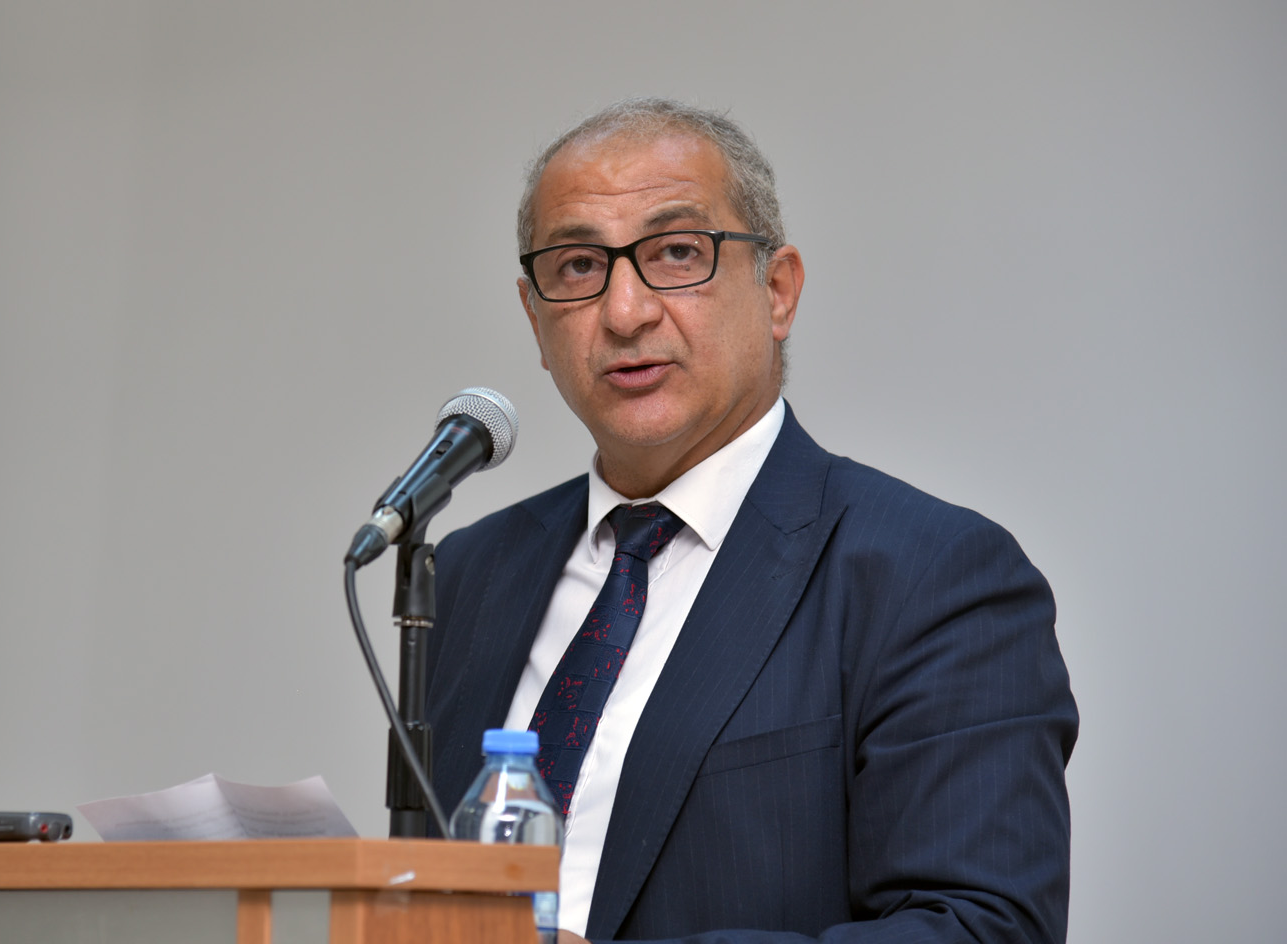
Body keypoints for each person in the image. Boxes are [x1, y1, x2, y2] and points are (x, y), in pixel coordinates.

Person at [425, 99, 1078, 943]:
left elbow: (982, 929)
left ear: (777, 291)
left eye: (675, 253)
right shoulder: (470, 572)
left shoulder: (932, 575)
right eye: (579, 266)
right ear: (536, 320)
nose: (625, 313)